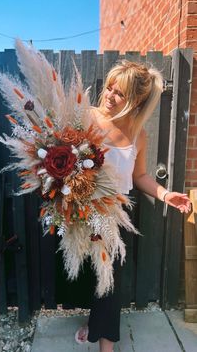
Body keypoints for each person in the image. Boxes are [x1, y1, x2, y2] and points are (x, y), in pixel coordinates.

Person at [74, 60, 192, 352]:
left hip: (116, 214)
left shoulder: (138, 134)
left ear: (136, 100)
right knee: (85, 273)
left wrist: (165, 195)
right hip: (79, 208)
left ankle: (106, 343)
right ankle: (92, 321)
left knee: (110, 279)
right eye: (110, 88)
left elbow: (138, 176)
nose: (109, 96)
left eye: (120, 93)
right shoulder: (86, 117)